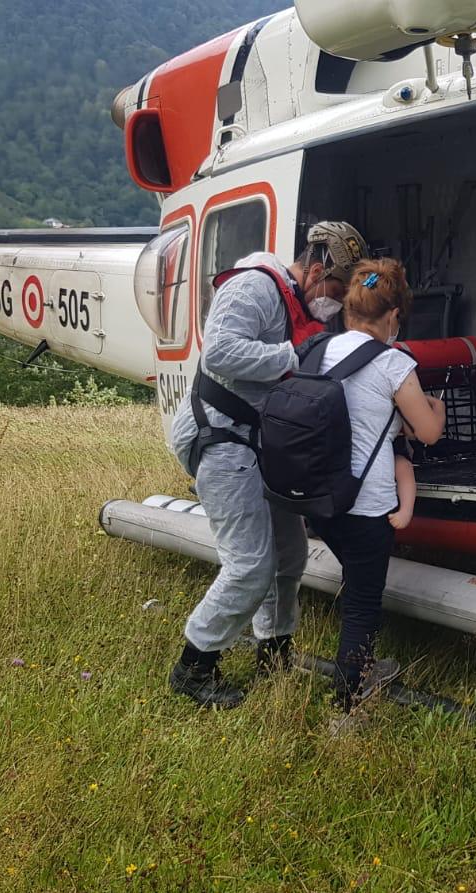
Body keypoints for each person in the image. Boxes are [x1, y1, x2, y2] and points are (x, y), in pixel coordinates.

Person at [166, 221, 368, 709]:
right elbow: (220, 351)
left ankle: (273, 653)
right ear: (317, 269)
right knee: (251, 565)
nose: (337, 304)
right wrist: (292, 356)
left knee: (290, 556)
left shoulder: (297, 305)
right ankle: (194, 667)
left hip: (262, 446)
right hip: (223, 440)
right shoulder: (254, 286)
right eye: (338, 290)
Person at [307, 259, 444, 723]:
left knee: (357, 585)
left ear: (348, 313)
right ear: (392, 318)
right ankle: (347, 708)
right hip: (367, 508)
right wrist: (438, 411)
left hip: (320, 502)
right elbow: (426, 432)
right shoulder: (392, 362)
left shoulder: (318, 350)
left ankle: (361, 669)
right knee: (363, 608)